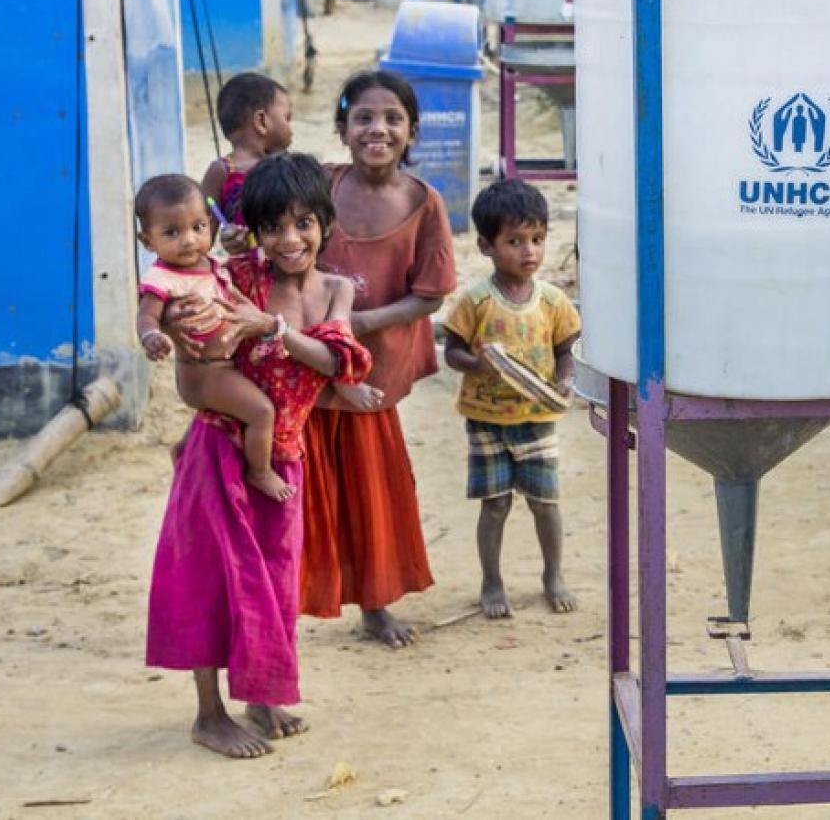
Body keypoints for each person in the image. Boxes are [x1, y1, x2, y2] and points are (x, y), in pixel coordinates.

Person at [146, 153, 370, 758]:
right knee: (208, 580)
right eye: (273, 226)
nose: (289, 239)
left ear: (325, 223)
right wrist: (178, 328)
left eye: (303, 223)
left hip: (284, 456)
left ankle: (261, 696)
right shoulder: (233, 277)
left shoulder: (335, 289)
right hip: (219, 447)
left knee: (273, 583)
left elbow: (336, 362)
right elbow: (187, 333)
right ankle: (209, 713)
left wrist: (269, 328)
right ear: (255, 231)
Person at [305, 70, 456, 647]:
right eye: (363, 117)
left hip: (374, 375)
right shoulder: (319, 186)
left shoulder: (422, 202)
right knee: (310, 486)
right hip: (309, 368)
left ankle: (375, 604)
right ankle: (296, 596)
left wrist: (361, 322)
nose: (378, 129)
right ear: (342, 128)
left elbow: (432, 292)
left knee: (370, 492)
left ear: (412, 130)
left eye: (393, 118)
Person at [441, 179, 581, 619]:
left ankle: (553, 575)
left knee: (545, 503)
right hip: (487, 420)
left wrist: (564, 379)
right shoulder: (476, 302)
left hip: (538, 417)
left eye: (537, 239)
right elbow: (453, 351)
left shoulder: (554, 302)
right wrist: (475, 363)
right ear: (485, 245)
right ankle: (492, 581)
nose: (529, 252)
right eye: (514, 241)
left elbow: (566, 351)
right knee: (496, 504)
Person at [134, 174, 286, 502]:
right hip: (204, 372)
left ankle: (185, 448)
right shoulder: (161, 277)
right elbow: (146, 315)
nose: (189, 240)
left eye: (198, 227)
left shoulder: (212, 263)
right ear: (147, 241)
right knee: (262, 411)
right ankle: (259, 471)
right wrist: (150, 336)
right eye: (172, 232)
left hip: (223, 365)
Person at [202, 72, 295, 252]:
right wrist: (229, 238)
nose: (291, 129)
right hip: (245, 274)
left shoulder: (290, 166)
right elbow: (202, 236)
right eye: (287, 118)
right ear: (261, 121)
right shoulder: (222, 171)